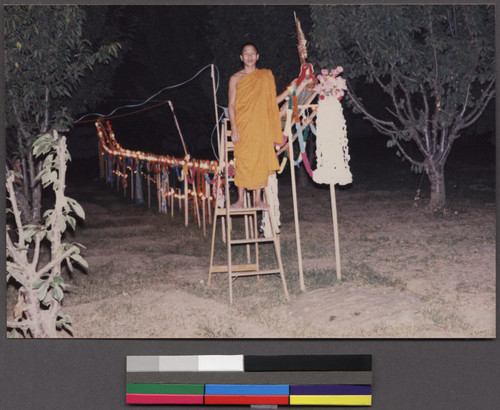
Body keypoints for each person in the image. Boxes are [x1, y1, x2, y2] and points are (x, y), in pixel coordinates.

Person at [228, 42, 295, 209]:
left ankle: (258, 199)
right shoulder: (235, 78)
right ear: (241, 57)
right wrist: (234, 128)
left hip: (260, 126)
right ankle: (240, 200)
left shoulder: (265, 76)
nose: (250, 56)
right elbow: (231, 104)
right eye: (246, 54)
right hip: (243, 126)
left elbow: (270, 103)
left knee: (260, 159)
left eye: (253, 53)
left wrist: (289, 91)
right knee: (243, 160)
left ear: (257, 57)